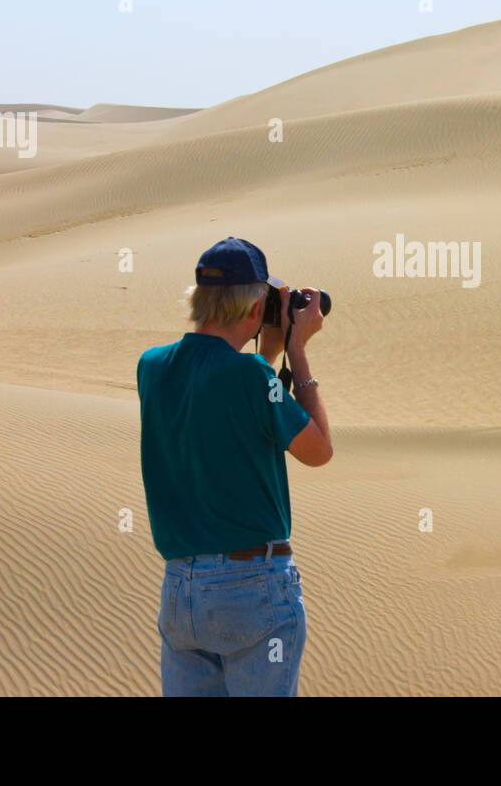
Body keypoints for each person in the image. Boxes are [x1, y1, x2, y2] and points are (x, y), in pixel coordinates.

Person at [136, 237, 332, 696]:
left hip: (181, 591)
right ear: (254, 308)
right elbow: (318, 450)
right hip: (252, 590)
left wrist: (265, 353)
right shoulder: (251, 377)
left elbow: (219, 392)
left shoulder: (152, 367)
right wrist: (297, 351)